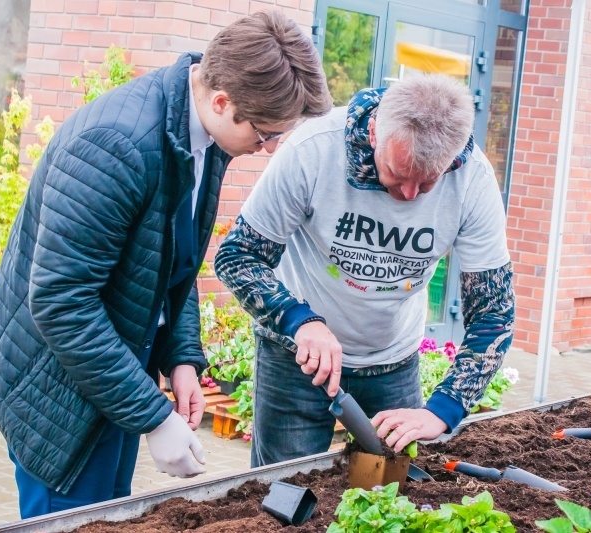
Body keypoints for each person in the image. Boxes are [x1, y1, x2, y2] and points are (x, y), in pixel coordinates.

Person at [0, 11, 331, 518]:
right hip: (54, 387)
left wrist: (181, 359)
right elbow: (60, 303)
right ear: (223, 101)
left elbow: (170, 264)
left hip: (110, 368)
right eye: (268, 133)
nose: (269, 149)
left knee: (108, 515)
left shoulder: (201, 133)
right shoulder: (116, 146)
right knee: (75, 520)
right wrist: (155, 419)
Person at [215, 74, 515, 467]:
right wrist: (299, 321)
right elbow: (238, 255)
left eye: (426, 183)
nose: (408, 195)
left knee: (393, 499)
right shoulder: (314, 149)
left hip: (393, 363)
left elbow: (493, 313)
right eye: (397, 173)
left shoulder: (472, 180)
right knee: (282, 497)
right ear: (373, 132)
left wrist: (442, 410)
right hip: (297, 361)